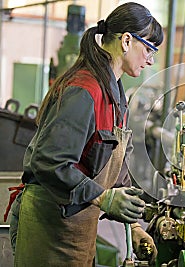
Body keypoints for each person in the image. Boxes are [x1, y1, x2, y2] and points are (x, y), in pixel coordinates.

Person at [13, 2, 163, 266]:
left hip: (78, 228)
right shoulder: (84, 90)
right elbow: (50, 162)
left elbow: (112, 167)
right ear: (127, 41)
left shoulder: (115, 95)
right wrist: (103, 198)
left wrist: (135, 225)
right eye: (149, 49)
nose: (150, 60)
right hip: (49, 227)